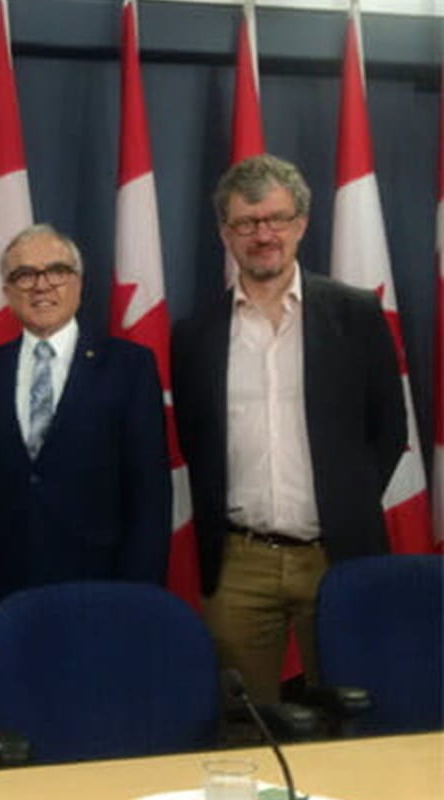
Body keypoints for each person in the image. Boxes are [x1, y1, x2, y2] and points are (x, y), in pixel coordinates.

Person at [171, 154, 406, 704]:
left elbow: (389, 430)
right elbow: (195, 440)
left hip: (338, 555)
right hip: (238, 563)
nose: (263, 234)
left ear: (301, 222)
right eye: (247, 223)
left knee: (349, 719)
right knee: (242, 727)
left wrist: (341, 507)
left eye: (276, 218)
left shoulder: (356, 314)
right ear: (225, 233)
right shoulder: (194, 333)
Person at [0, 223, 172, 667]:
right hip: (5, 600)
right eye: (25, 274)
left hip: (105, 595)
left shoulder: (129, 368)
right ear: (8, 291)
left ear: (79, 283)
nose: (42, 284)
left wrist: (136, 598)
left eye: (56, 270)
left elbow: (149, 495)